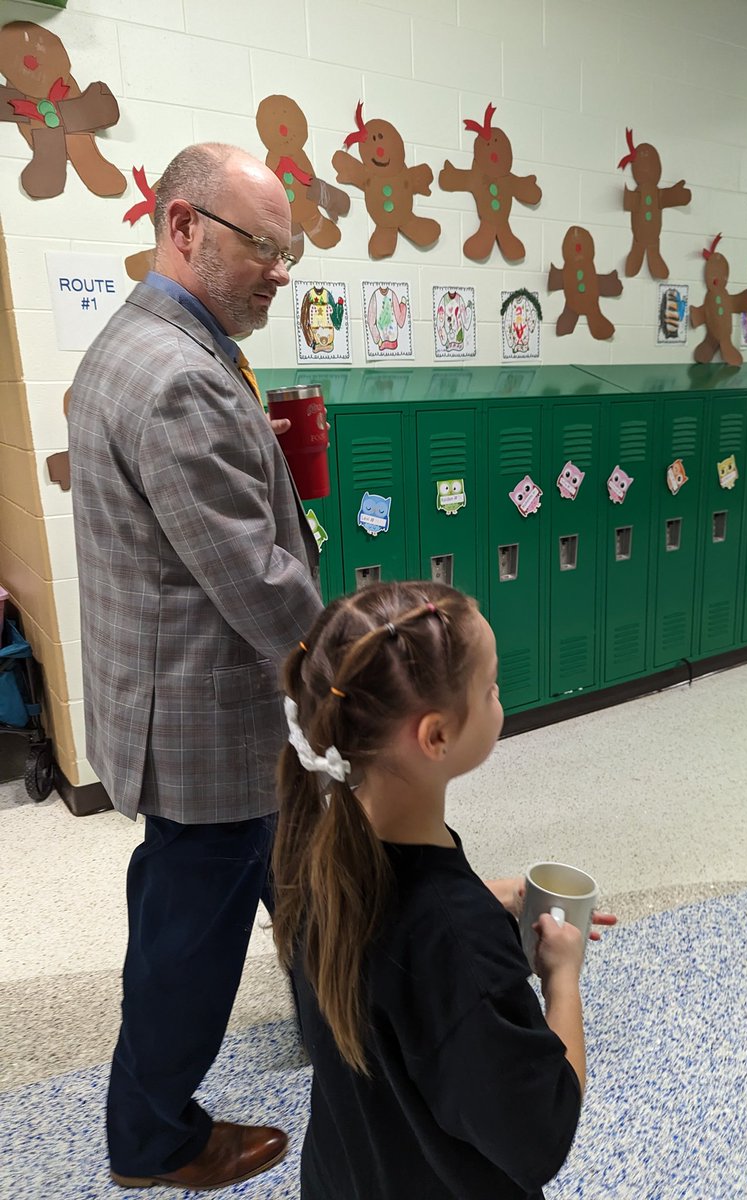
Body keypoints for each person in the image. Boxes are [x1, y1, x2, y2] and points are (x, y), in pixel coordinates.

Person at [68, 142, 323, 1189]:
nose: (279, 272)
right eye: (261, 246)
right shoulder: (176, 376)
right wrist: (354, 666)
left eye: (287, 252)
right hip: (207, 725)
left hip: (205, 706)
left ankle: (341, 1026)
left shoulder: (154, 342)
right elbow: (255, 579)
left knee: (301, 876)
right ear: (183, 226)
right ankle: (153, 1140)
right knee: (189, 944)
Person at [271, 580, 591, 1199]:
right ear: (436, 736)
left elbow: (398, 962)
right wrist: (562, 977)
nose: (501, 698)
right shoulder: (456, 941)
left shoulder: (322, 845)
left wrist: (481, 899)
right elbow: (541, 1133)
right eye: (492, 687)